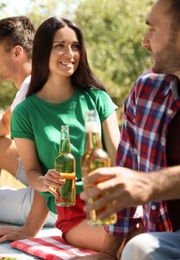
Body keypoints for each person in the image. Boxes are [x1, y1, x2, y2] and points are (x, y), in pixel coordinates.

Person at [79, 0, 180, 258]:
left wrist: (151, 183)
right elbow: (127, 168)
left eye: (153, 30)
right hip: (170, 241)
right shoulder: (146, 91)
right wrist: (109, 253)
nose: (145, 41)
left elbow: (141, 182)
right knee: (139, 248)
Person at [11, 17, 120, 251]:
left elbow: (119, 156)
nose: (69, 53)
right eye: (59, 45)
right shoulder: (25, 112)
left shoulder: (98, 99)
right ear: (42, 51)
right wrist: (43, 181)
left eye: (75, 46)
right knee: (129, 246)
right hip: (74, 214)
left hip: (113, 204)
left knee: (155, 238)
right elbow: (31, 171)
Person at [0, 16, 57, 243]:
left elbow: (49, 165)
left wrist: (28, 229)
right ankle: (1, 200)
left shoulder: (33, 88)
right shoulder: (36, 82)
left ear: (17, 53)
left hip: (53, 200)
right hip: (52, 181)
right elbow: (6, 122)